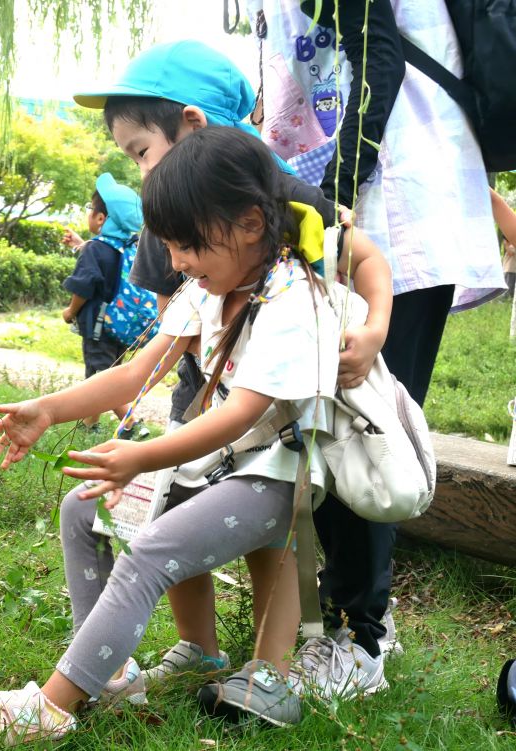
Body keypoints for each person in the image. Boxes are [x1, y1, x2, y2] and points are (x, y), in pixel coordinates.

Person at [0, 128, 349, 741]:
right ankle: (114, 671)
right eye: (172, 246)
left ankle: (50, 709)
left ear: (247, 223)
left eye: (189, 244)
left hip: (273, 478)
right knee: (83, 509)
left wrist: (142, 457)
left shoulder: (294, 299)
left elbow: (241, 414)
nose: (179, 261)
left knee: (150, 548)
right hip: (215, 463)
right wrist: (49, 408)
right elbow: (137, 372)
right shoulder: (206, 291)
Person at [71, 39, 393, 694]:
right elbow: (171, 333)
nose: (140, 171)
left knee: (269, 523)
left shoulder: (282, 206)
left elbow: (365, 256)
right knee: (185, 491)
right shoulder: (177, 219)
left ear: (192, 126)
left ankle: (292, 656)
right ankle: (204, 648)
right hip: (206, 391)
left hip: (273, 416)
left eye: (141, 152)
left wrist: (374, 328)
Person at [252, 0, 505, 698]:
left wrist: (325, 206)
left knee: (361, 421)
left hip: (383, 208)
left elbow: (376, 61)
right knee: (326, 411)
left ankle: (362, 637)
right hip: (376, 205)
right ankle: (336, 621)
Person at [62, 174, 142, 432]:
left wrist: (70, 311)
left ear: (100, 219)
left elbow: (84, 286)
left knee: (103, 377)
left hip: (97, 327)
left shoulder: (96, 249)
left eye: (90, 208)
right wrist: (80, 245)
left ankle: (132, 425)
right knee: (99, 375)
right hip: (119, 326)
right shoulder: (127, 247)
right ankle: (89, 426)